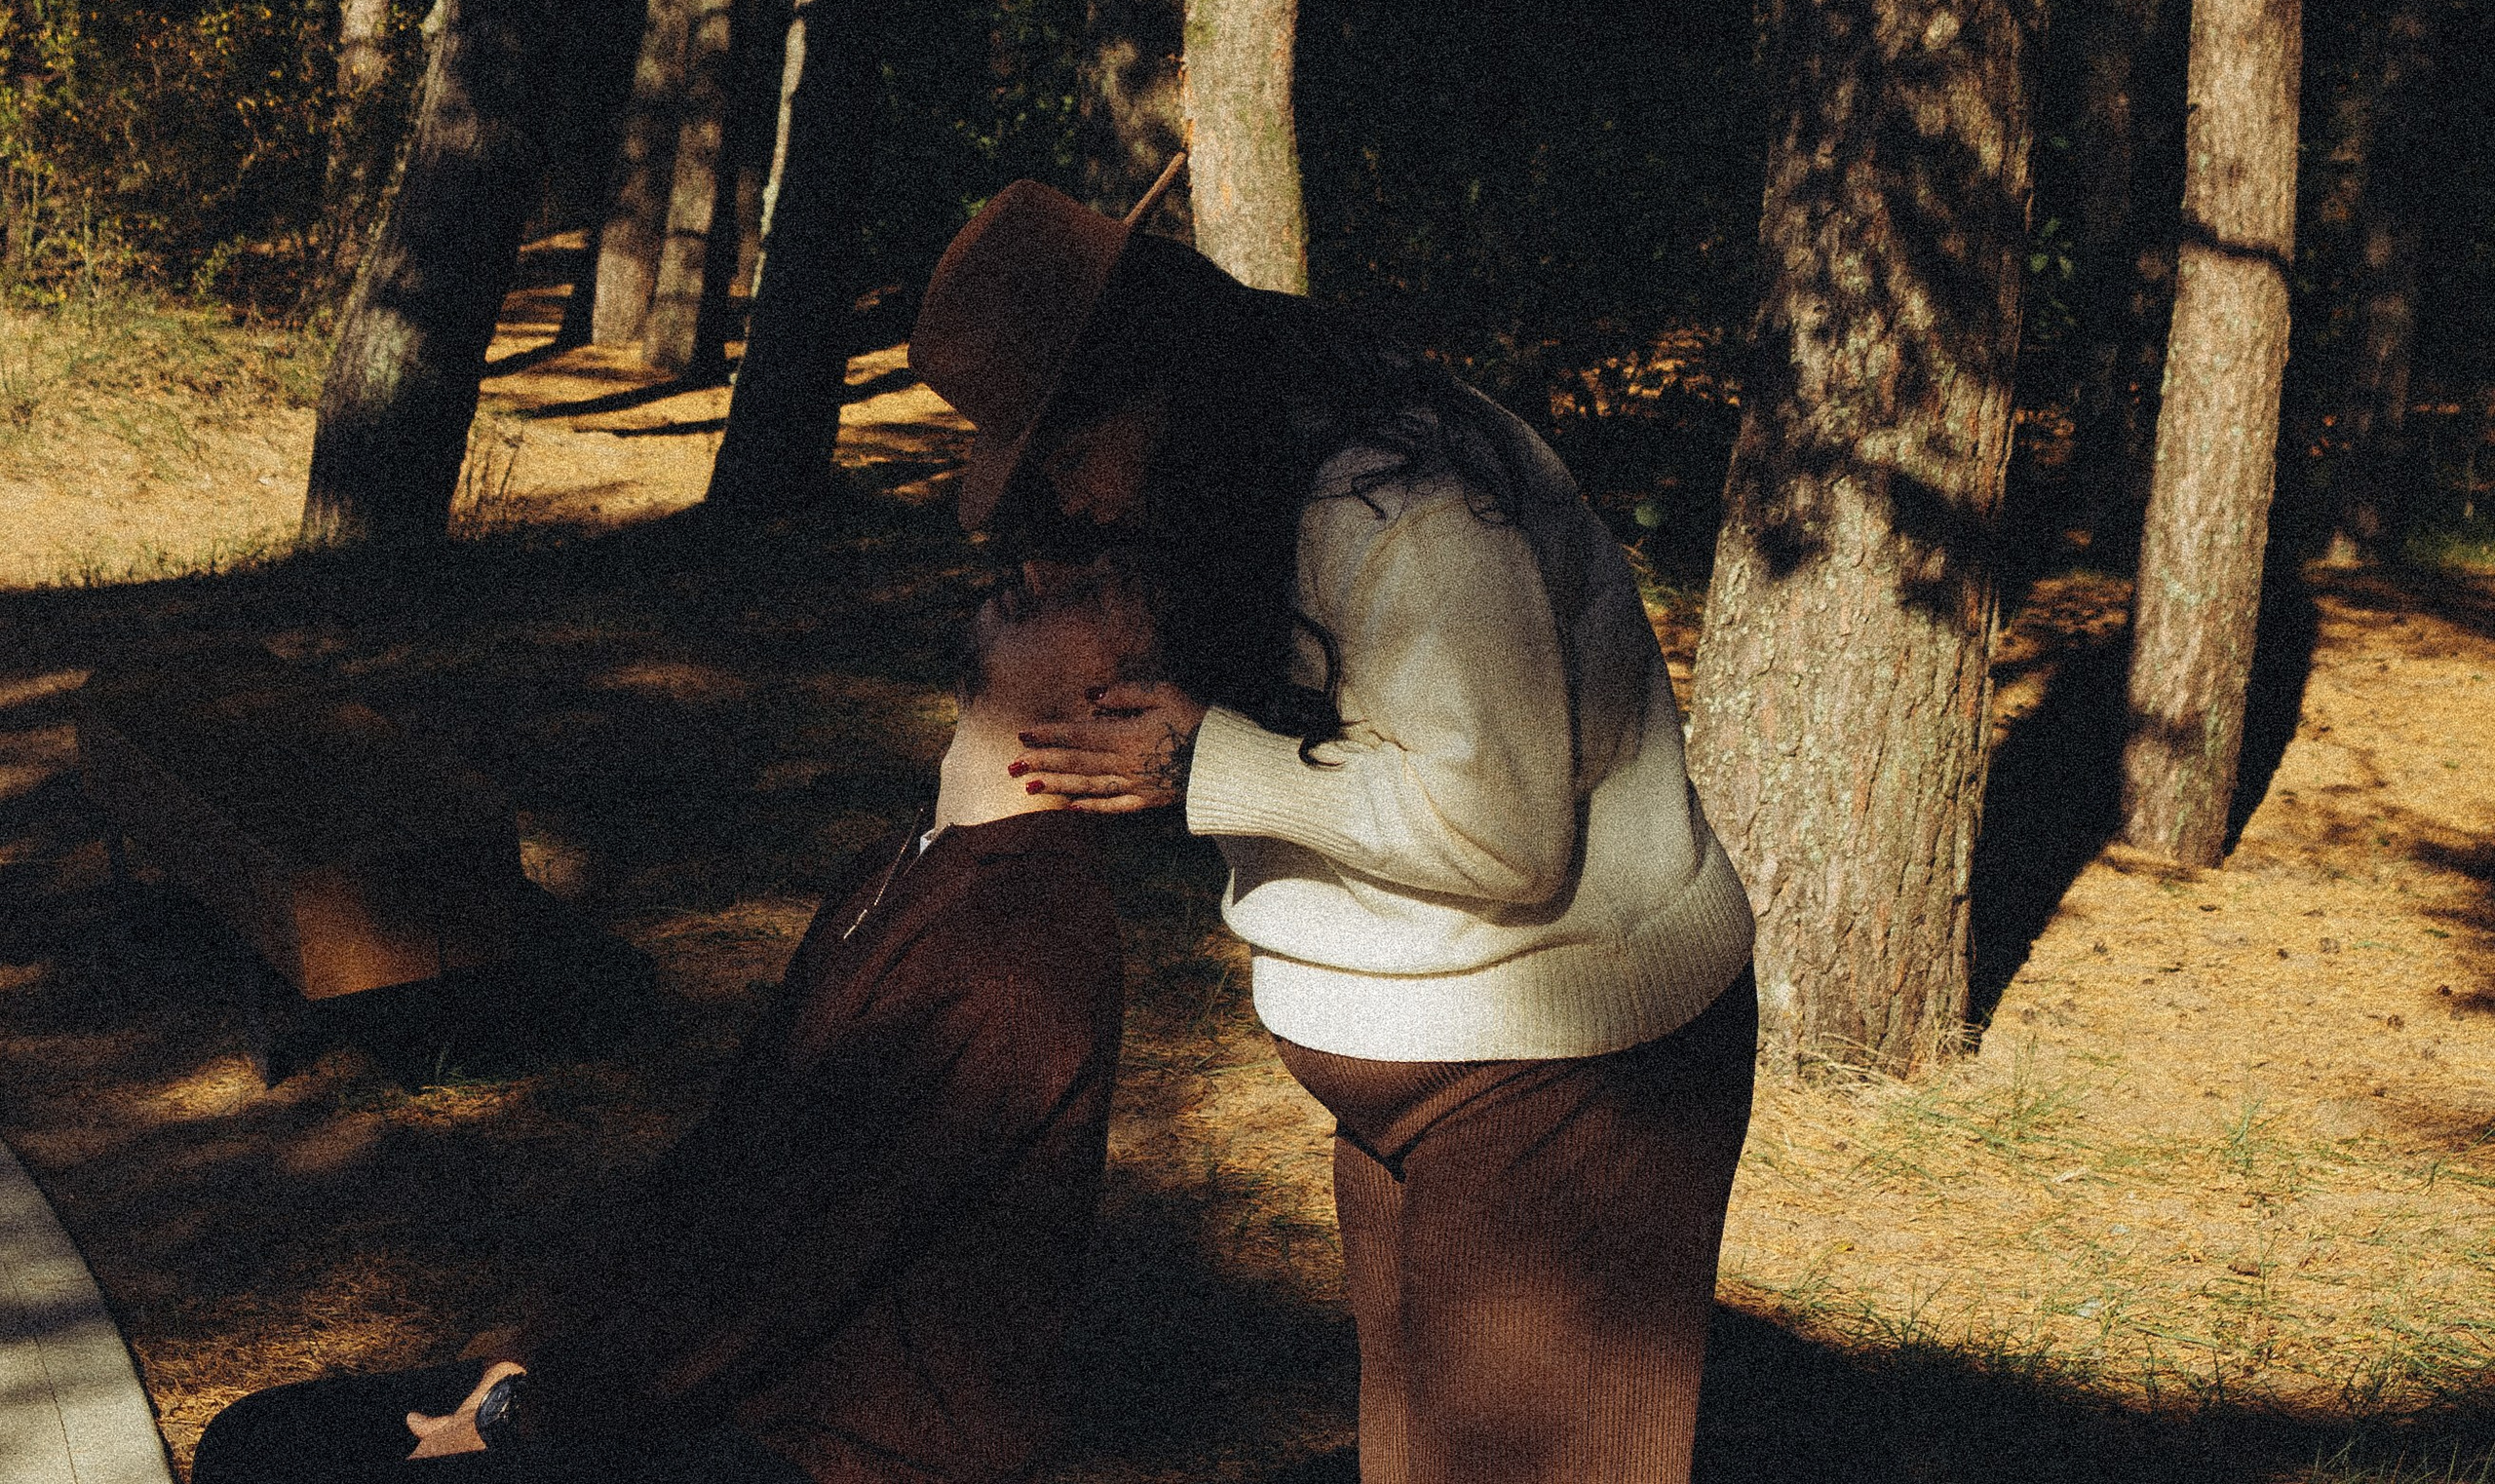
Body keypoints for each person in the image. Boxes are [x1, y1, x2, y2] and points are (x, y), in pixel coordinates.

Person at [911, 179, 1758, 1484]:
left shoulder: (1396, 510)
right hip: (1427, 1071)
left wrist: (1207, 762)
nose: (1065, 499)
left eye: (1063, 453)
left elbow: (1499, 833)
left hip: (1569, 1066)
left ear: (1152, 386)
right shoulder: (1245, 480)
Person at [191, 562, 1152, 1484]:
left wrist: (527, 1413)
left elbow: (793, 1267)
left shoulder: (1020, 945)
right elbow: (723, 1168)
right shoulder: (910, 862)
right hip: (706, 1384)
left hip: (828, 1445)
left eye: (1094, 591)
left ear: (1125, 700)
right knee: (265, 1441)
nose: (1033, 569)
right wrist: (534, 1349)